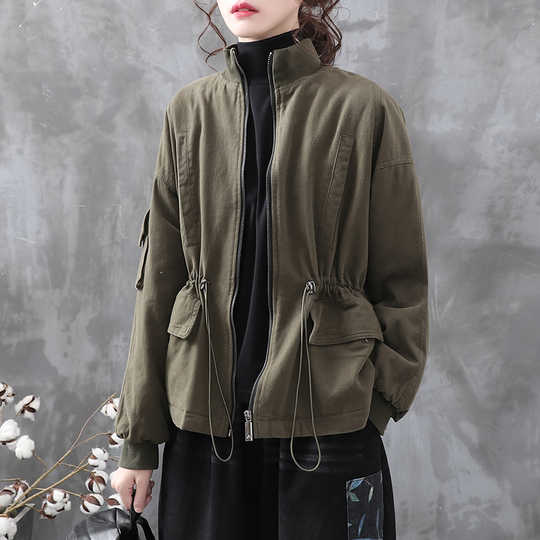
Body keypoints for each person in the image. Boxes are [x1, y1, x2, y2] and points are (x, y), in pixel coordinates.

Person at [110, 1, 429, 539]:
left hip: (328, 427)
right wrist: (138, 442)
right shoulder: (189, 112)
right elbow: (160, 284)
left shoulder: (364, 108)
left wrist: (374, 404)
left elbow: (402, 278)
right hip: (203, 429)